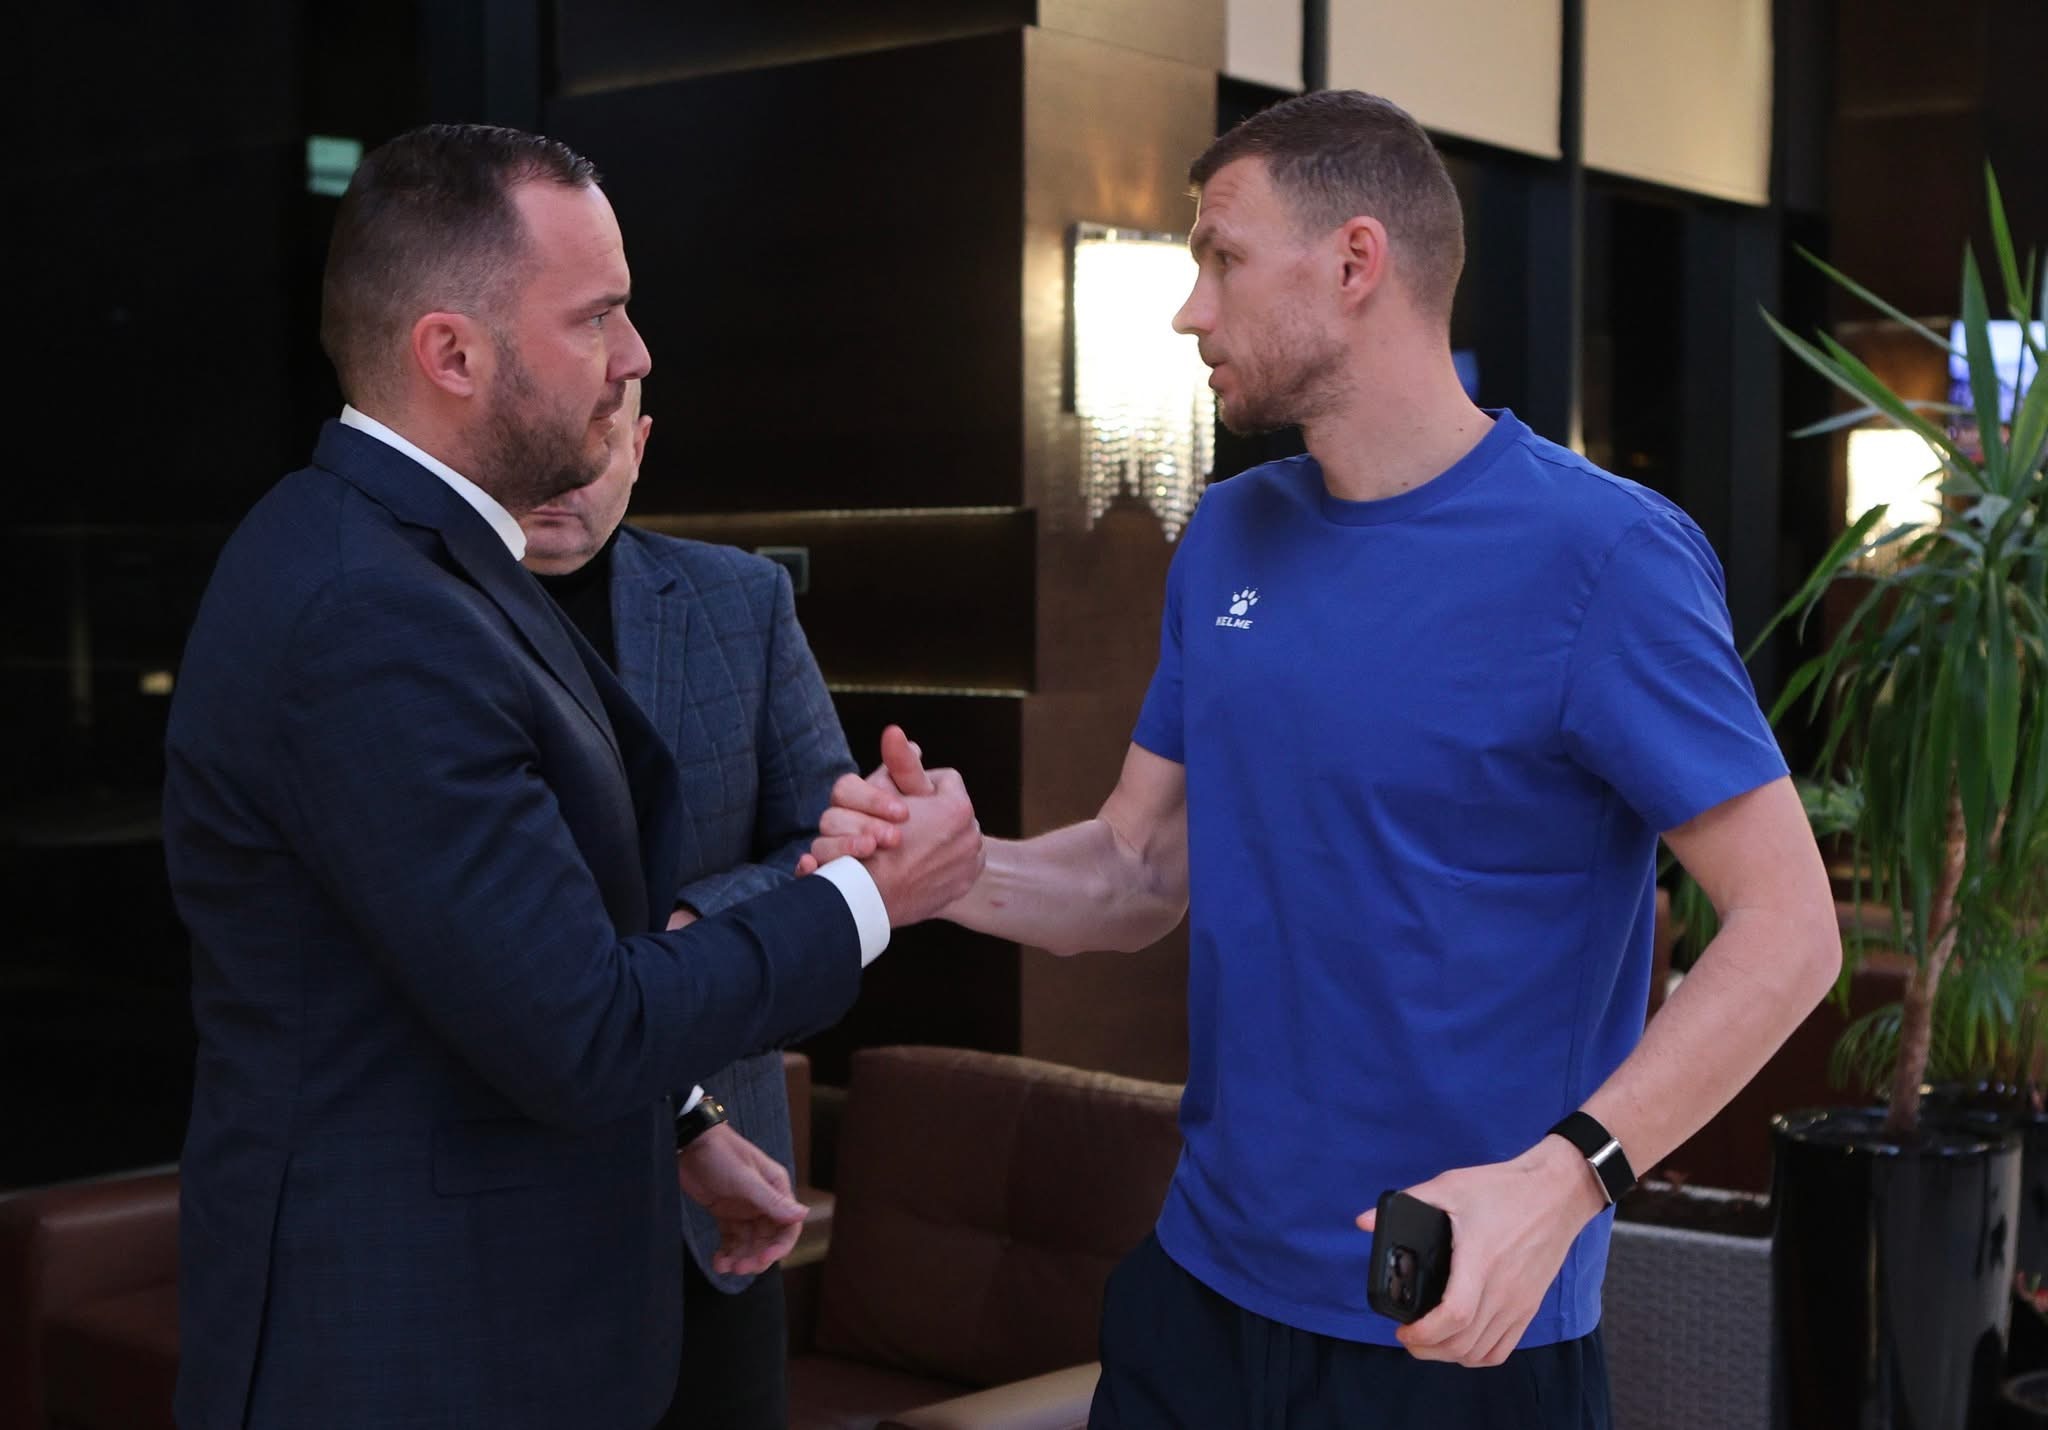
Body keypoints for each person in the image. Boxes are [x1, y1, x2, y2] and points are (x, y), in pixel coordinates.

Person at [808, 91, 1841, 1428]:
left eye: (1221, 258)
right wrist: (951, 871)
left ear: (1355, 261)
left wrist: (1566, 1177)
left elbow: (1790, 926)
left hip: (1450, 1327)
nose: (1190, 310)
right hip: (1196, 1294)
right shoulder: (1229, 534)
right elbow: (1136, 866)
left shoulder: (1604, 557)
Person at [162, 123, 981, 1430]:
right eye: (597, 315)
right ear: (453, 354)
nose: (636, 354)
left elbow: (483, 978)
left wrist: (687, 1122)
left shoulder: (419, 563)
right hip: (414, 1359)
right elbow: (580, 1028)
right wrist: (869, 896)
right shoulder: (370, 607)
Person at [520, 376, 851, 1429]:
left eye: (599, 435)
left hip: (717, 1206)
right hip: (505, 1194)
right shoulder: (425, 610)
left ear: (640, 444)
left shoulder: (738, 601)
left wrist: (695, 930)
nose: (567, 471)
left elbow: (829, 841)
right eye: (544, 436)